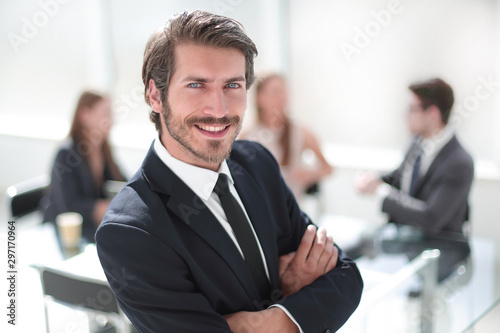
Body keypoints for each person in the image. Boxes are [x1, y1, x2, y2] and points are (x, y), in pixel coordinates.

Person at [96, 10, 362, 333]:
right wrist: (290, 291)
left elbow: (346, 275)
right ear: (155, 95)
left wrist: (253, 322)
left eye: (232, 85)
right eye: (196, 85)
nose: (219, 110)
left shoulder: (258, 164)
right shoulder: (130, 231)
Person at [356, 78, 474, 281]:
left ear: (433, 114)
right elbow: (401, 176)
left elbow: (431, 218)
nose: (405, 115)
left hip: (440, 255)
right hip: (408, 242)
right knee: (354, 251)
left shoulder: (459, 162)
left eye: (411, 109)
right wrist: (374, 180)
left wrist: (381, 193)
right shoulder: (417, 142)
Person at [43, 90, 126, 243]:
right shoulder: (65, 155)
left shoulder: (103, 150)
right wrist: (104, 208)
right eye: (105, 113)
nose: (111, 120)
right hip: (66, 236)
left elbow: (122, 181)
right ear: (85, 115)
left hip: (91, 229)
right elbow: (69, 206)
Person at [242, 73, 333, 199]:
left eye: (284, 92)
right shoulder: (246, 136)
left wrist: (308, 174)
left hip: (292, 213)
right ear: (260, 98)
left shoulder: (300, 132)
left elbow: (328, 169)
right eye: (275, 92)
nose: (282, 98)